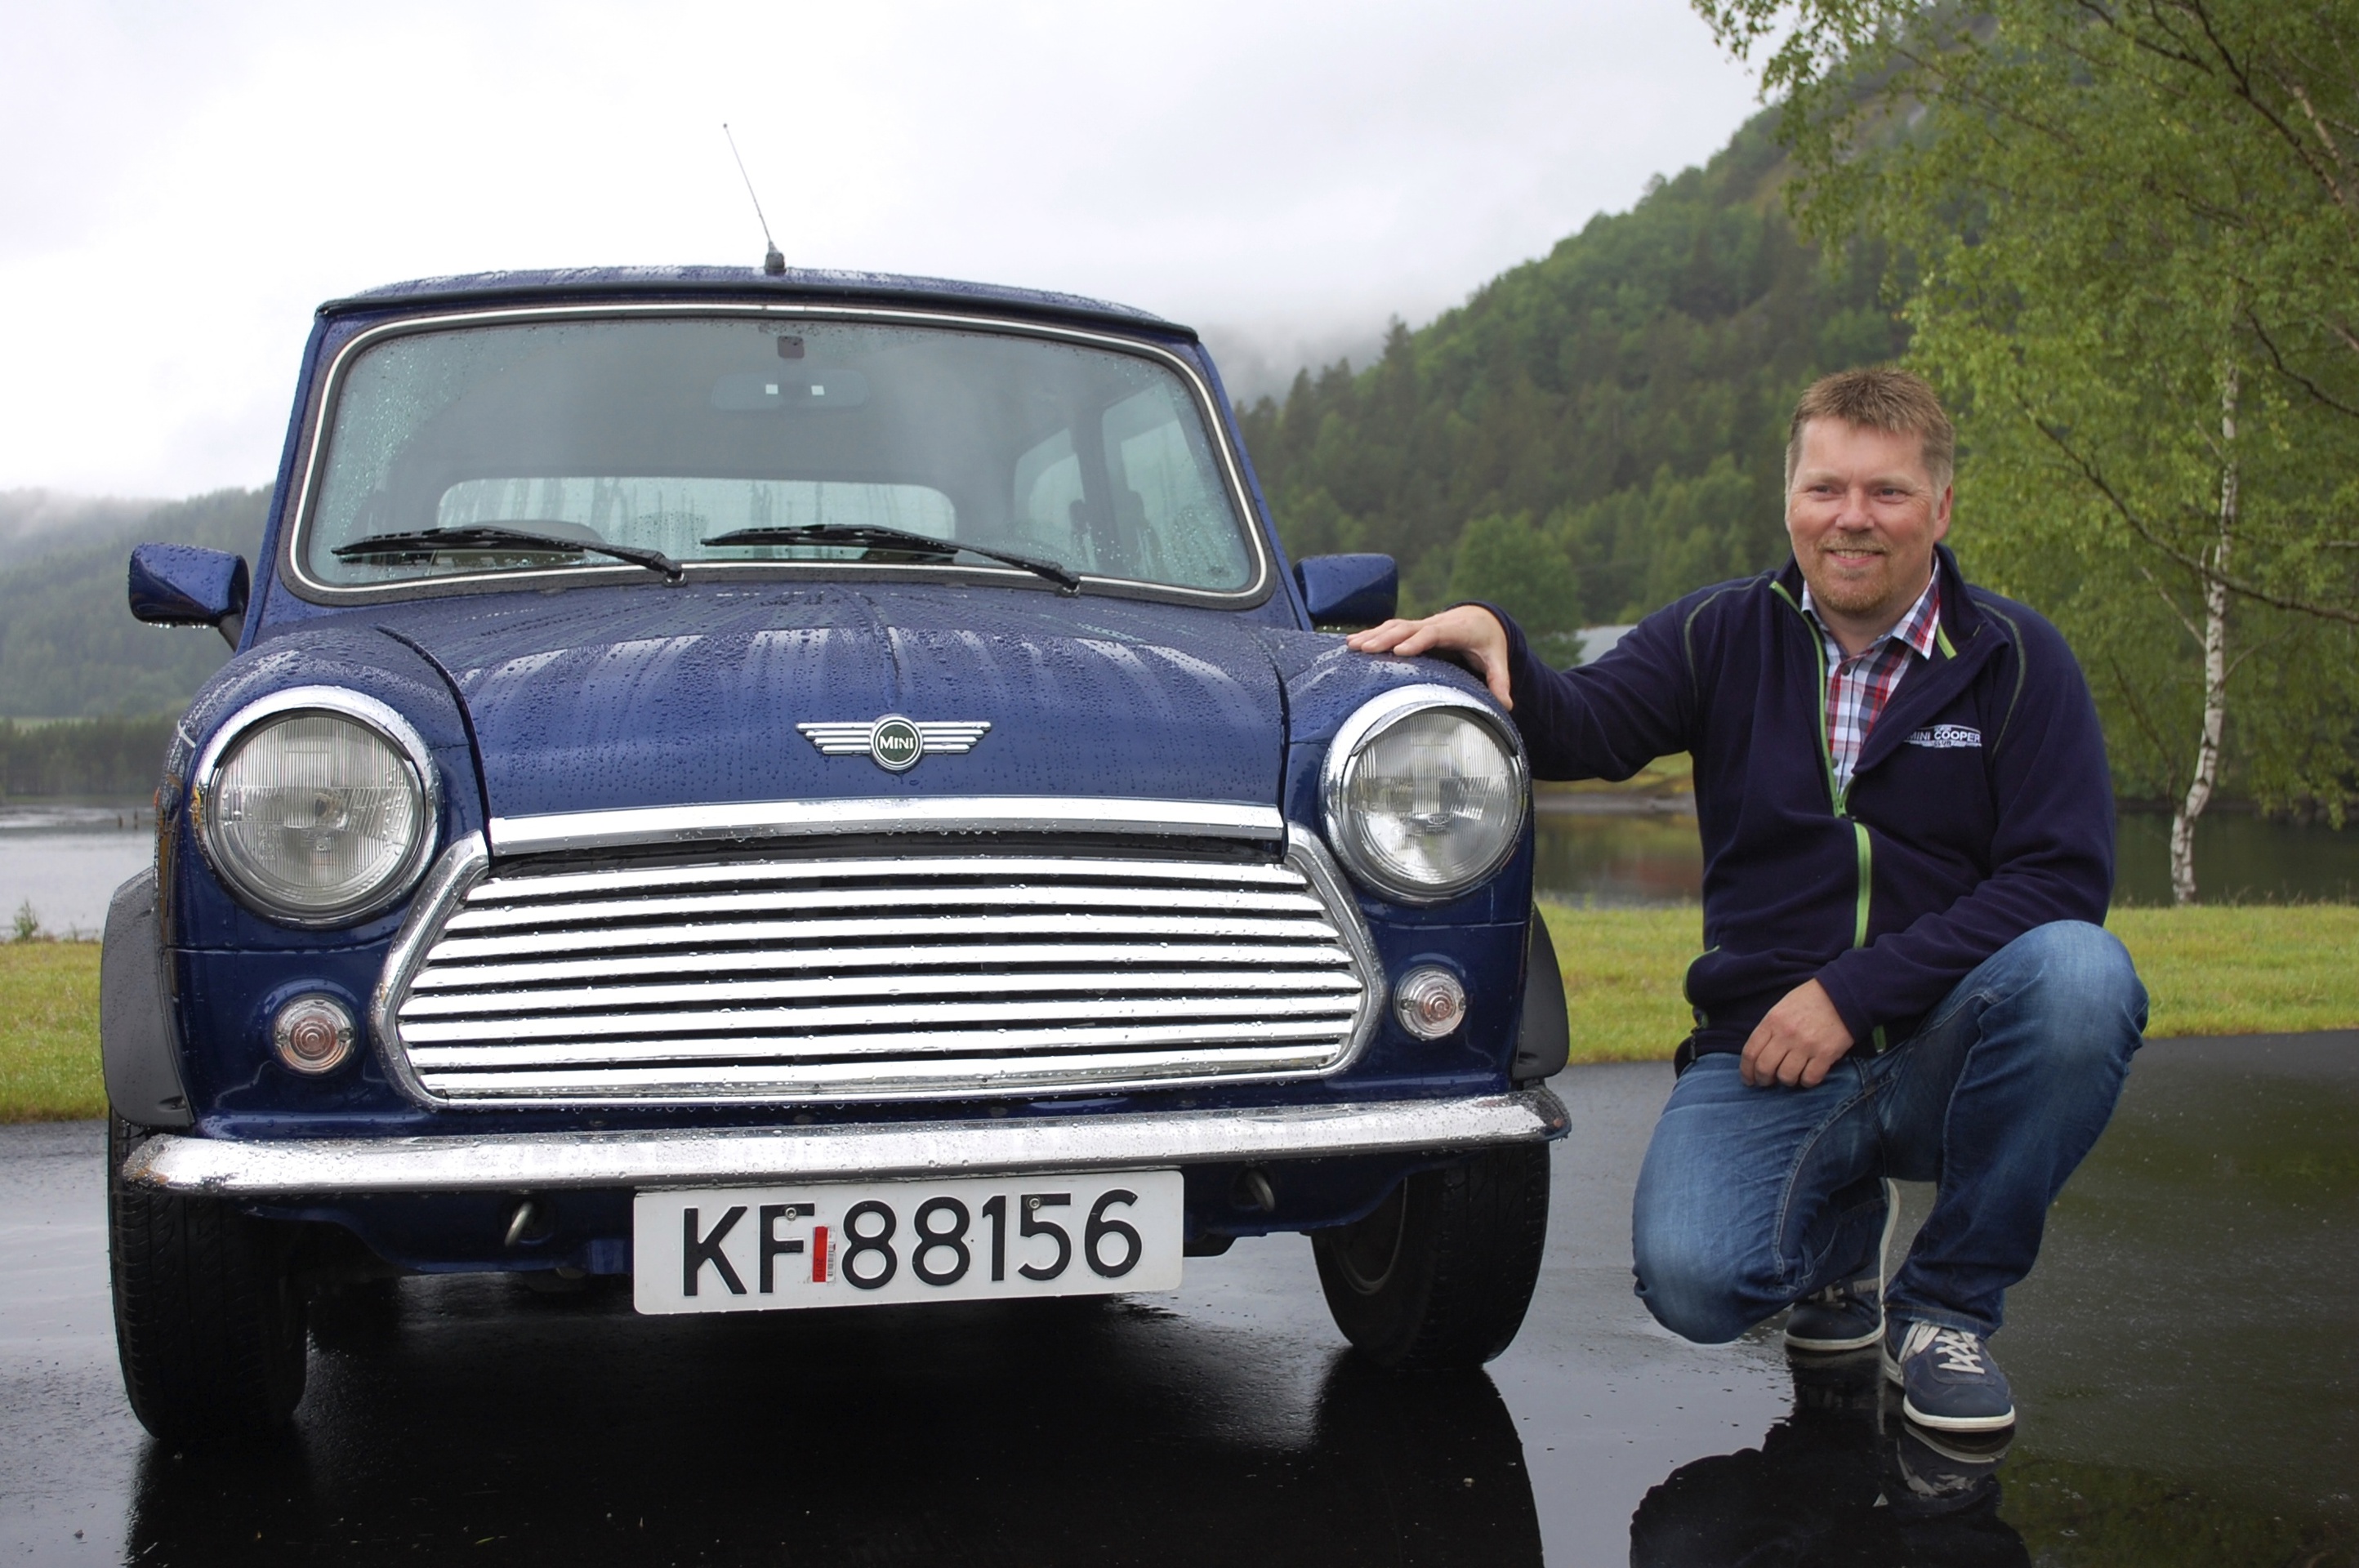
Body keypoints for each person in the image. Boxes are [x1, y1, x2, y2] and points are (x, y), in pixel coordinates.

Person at [1347, 368, 2147, 1433]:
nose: (1852, 518)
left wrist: (1852, 994)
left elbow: (2061, 881)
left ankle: (1947, 1310)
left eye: (1887, 491)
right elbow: (1583, 725)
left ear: (1941, 507)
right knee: (1694, 1282)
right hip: (1767, 1051)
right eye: (1826, 489)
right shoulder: (1718, 634)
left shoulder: (2018, 658)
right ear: (1790, 500)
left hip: (1943, 1044)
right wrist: (1493, 640)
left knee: (2084, 978)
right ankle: (1836, 1246)